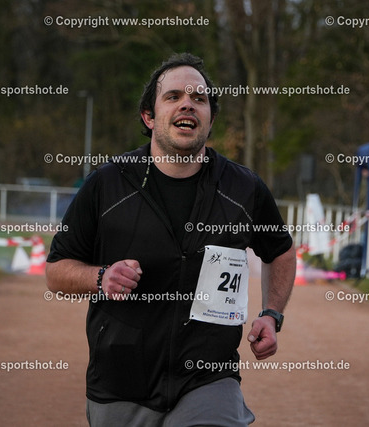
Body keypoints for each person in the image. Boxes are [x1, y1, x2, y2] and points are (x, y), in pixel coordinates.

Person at [46, 53, 295, 427]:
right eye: (174, 96)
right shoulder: (107, 184)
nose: (187, 104)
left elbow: (281, 251)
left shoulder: (243, 189)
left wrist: (272, 314)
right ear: (149, 117)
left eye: (199, 98)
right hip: (120, 381)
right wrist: (100, 277)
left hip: (209, 378)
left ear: (210, 119)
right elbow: (56, 271)